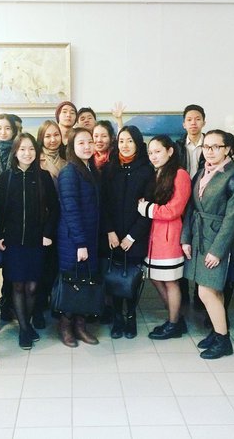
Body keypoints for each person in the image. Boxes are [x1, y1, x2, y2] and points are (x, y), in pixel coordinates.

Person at [182, 130, 234, 359]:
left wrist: (217, 251)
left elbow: (232, 220)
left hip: (217, 240)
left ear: (227, 149)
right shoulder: (202, 172)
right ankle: (217, 332)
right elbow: (191, 207)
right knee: (212, 290)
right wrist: (185, 238)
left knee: (206, 291)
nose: (209, 151)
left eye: (216, 147)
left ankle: (223, 341)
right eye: (206, 147)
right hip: (199, 236)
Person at [0, 133, 59, 349]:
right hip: (13, 242)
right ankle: (24, 329)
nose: (27, 153)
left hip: (37, 241)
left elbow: (54, 209)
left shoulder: (43, 177)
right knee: (17, 285)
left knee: (32, 287)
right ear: (15, 152)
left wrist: (48, 234)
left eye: (31, 149)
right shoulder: (6, 178)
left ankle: (27, 322)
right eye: (22, 149)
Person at [102, 126, 153, 339]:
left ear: (138, 143)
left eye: (130, 141)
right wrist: (110, 231)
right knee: (115, 276)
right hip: (113, 236)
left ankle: (131, 316)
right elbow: (103, 203)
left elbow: (149, 207)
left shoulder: (147, 170)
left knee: (132, 277)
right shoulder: (109, 168)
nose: (125, 145)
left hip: (135, 236)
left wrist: (132, 236)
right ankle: (117, 318)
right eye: (122, 140)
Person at [139, 135, 191, 340]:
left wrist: (147, 208)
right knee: (155, 277)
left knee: (170, 282)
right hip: (154, 236)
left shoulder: (180, 174)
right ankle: (175, 318)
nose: (153, 156)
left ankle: (173, 323)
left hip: (170, 236)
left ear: (170, 151)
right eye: (150, 152)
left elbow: (174, 210)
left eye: (158, 151)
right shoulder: (157, 173)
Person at [57, 127, 100, 347]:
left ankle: (81, 327)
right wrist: (80, 243)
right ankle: (65, 327)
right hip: (74, 240)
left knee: (85, 283)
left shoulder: (91, 169)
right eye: (81, 143)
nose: (87, 146)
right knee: (72, 283)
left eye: (89, 142)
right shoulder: (69, 172)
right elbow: (70, 210)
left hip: (90, 238)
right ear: (72, 146)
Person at [0, 113, 19, 331]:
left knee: (10, 265)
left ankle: (7, 301)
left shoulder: (18, 151)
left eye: (7, 128)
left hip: (11, 216)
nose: (3, 132)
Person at [34, 120, 67, 328]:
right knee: (40, 266)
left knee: (56, 265)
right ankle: (38, 307)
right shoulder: (35, 159)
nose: (52, 139)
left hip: (62, 220)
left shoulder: (67, 160)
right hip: (40, 221)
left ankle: (57, 303)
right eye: (47, 136)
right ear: (41, 138)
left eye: (56, 135)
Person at [176, 104, 207, 310]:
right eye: (189, 119)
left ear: (204, 121)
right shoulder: (178, 146)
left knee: (201, 246)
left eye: (197, 119)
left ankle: (200, 293)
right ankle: (183, 294)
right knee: (182, 245)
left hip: (204, 200)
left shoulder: (211, 143)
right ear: (183, 124)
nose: (193, 123)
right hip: (183, 199)